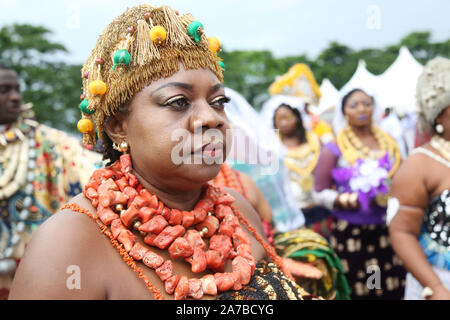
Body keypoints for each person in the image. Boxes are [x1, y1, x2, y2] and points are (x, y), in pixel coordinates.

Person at [9, 4, 313, 300]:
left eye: (219, 101)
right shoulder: (69, 244)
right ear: (118, 127)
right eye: (178, 102)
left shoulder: (238, 212)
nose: (212, 118)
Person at [0, 63, 102, 299]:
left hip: (32, 269)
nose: (15, 97)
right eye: (5, 90)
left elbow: (93, 168)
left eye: (17, 89)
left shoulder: (46, 141)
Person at [314, 87, 406, 299]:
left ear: (374, 108)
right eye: (353, 105)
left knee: (386, 284)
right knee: (364, 287)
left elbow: (401, 177)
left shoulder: (390, 143)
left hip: (386, 228)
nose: (361, 109)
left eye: (366, 103)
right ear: (344, 111)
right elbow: (318, 192)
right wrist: (342, 199)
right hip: (352, 232)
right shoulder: (334, 148)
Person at [388, 57, 450, 300]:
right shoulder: (419, 164)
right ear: (439, 117)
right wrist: (435, 287)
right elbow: (401, 232)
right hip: (440, 278)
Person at [273, 103, 332, 237]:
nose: (284, 123)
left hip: (321, 205)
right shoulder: (272, 149)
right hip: (294, 212)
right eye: (279, 119)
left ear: (297, 117)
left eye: (287, 117)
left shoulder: (316, 141)